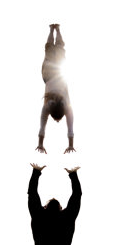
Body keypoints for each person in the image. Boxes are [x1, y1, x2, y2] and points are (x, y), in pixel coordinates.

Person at [36, 24, 75, 154]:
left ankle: (56, 29)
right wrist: (40, 144)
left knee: (59, 47)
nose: (57, 121)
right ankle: (52, 29)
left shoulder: (67, 107)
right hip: (48, 74)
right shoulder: (46, 107)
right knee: (48, 49)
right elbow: (42, 128)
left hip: (58, 72)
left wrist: (71, 145)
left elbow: (70, 129)